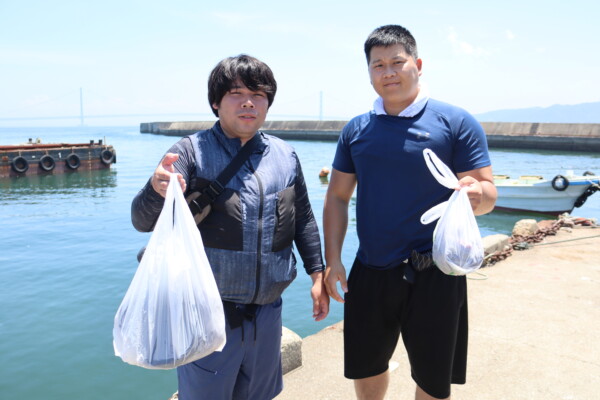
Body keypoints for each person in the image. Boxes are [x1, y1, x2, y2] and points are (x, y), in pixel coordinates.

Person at [131, 54, 329, 400]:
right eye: (236, 93)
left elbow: (304, 219)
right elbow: (141, 221)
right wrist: (155, 189)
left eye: (259, 94)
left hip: (267, 314)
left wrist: (318, 274)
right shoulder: (191, 154)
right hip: (207, 312)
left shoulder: (285, 156)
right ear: (215, 102)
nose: (249, 102)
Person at [323, 25, 497, 400]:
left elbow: (488, 192)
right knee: (367, 367)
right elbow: (337, 196)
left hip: (436, 272)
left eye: (397, 62)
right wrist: (333, 259)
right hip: (370, 269)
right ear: (369, 73)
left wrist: (475, 195)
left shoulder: (456, 122)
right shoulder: (357, 129)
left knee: (434, 381)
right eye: (378, 65)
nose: (388, 72)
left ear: (417, 64)